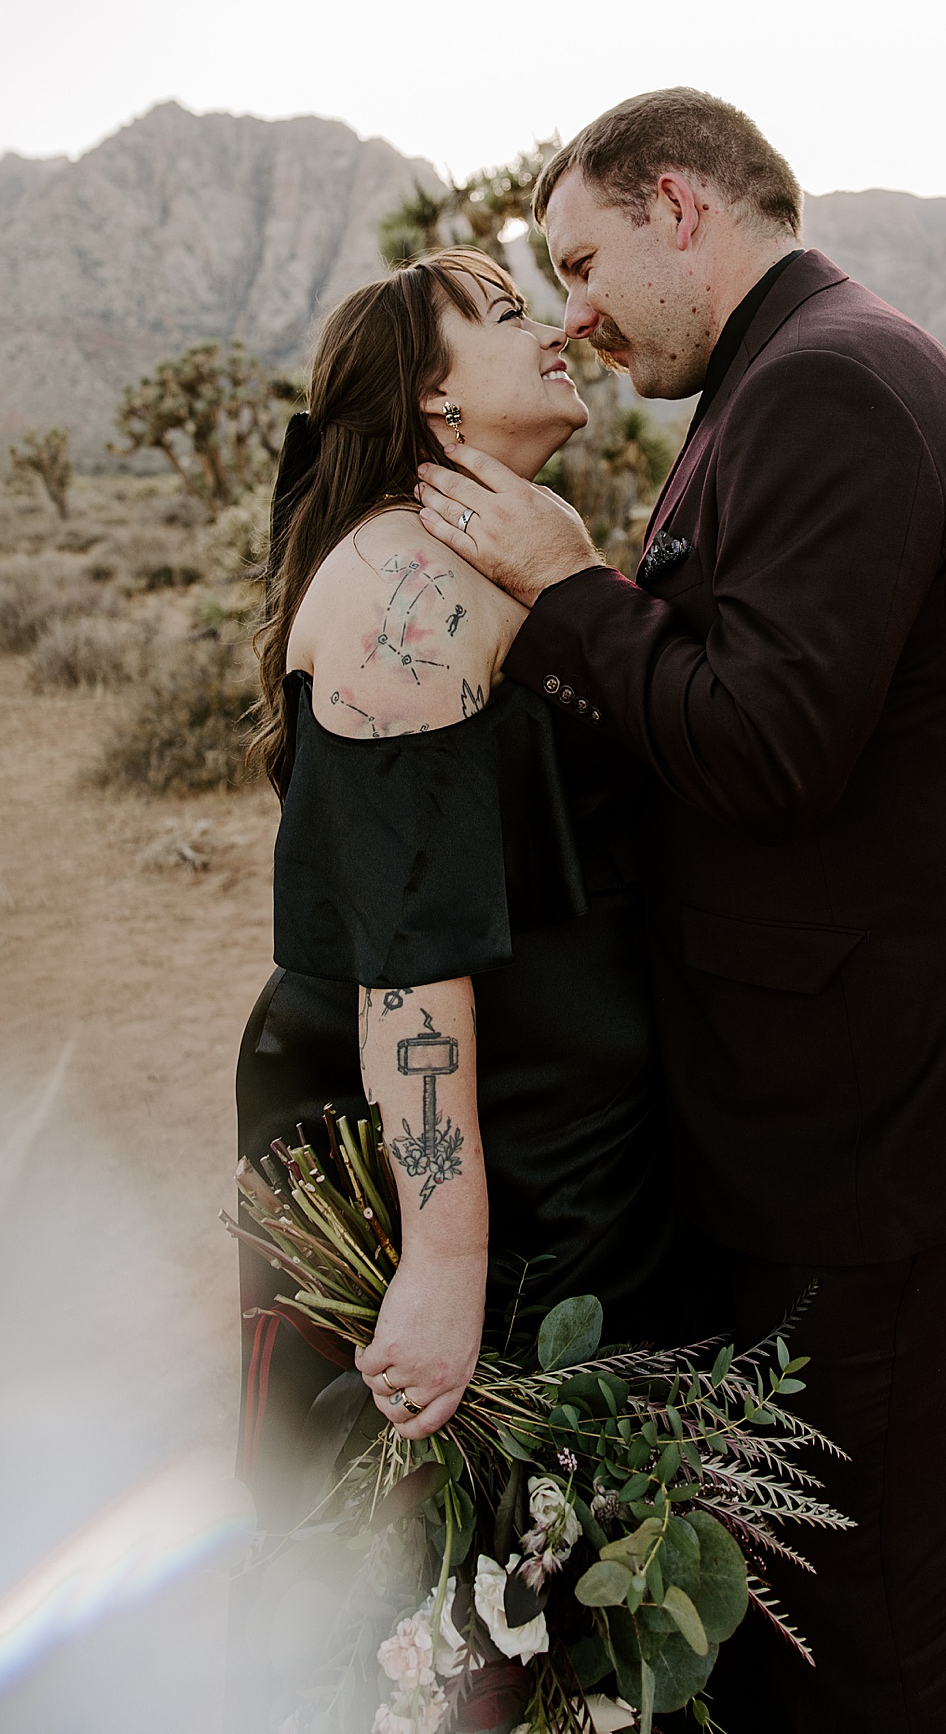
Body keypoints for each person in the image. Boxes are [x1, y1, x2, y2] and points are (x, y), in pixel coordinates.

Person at [413, 88, 946, 1734]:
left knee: (855, 1591)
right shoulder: (793, 376)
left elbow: (773, 744)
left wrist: (570, 590)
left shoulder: (830, 388)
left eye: (582, 257)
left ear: (679, 206)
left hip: (870, 1091)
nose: (574, 308)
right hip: (894, 1062)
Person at [231, 248, 705, 1550]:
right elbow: (407, 961)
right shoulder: (402, 589)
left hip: (558, 1121)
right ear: (436, 406)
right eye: (504, 315)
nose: (551, 327)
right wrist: (443, 1266)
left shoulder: (485, 560)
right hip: (445, 1138)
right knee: (432, 1557)